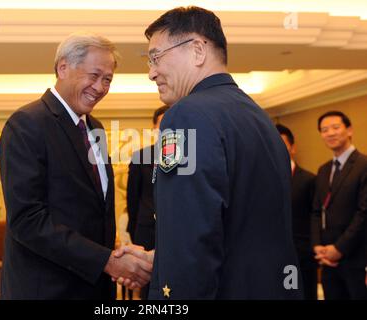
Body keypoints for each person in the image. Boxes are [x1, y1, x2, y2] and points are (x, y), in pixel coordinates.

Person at [118, 6, 302, 299]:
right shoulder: (258, 118)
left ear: (197, 50)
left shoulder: (185, 116)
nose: (151, 72)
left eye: (155, 57)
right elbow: (235, 229)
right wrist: (166, 260)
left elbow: (192, 239)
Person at [0, 33, 152, 299]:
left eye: (108, 80)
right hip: (47, 290)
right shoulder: (27, 124)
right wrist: (107, 261)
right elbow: (28, 220)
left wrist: (112, 257)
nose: (100, 87)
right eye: (94, 75)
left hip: (94, 286)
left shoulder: (96, 128)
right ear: (63, 67)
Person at [311, 111, 367, 300]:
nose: (330, 133)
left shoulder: (364, 164)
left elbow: (364, 213)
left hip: (356, 257)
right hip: (327, 258)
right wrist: (317, 245)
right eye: (324, 130)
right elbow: (317, 211)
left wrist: (339, 248)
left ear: (349, 130)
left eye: (336, 127)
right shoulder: (323, 170)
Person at [126, 105, 169, 299]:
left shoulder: (189, 157)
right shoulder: (140, 157)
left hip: (176, 230)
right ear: (154, 128)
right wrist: (134, 228)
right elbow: (132, 197)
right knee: (147, 286)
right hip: (146, 230)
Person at [276, 124, 318, 300]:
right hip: (275, 257)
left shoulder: (309, 179)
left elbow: (315, 216)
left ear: (292, 148)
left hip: (303, 257)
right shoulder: (262, 180)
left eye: (282, 143)